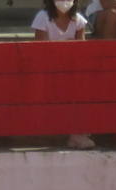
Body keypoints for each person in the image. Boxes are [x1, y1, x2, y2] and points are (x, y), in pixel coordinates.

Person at [32, 0, 96, 150]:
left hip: (72, 70)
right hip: (47, 71)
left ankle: (78, 135)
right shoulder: (42, 17)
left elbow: (82, 50)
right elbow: (38, 49)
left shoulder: (78, 20)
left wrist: (71, 48)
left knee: (83, 89)